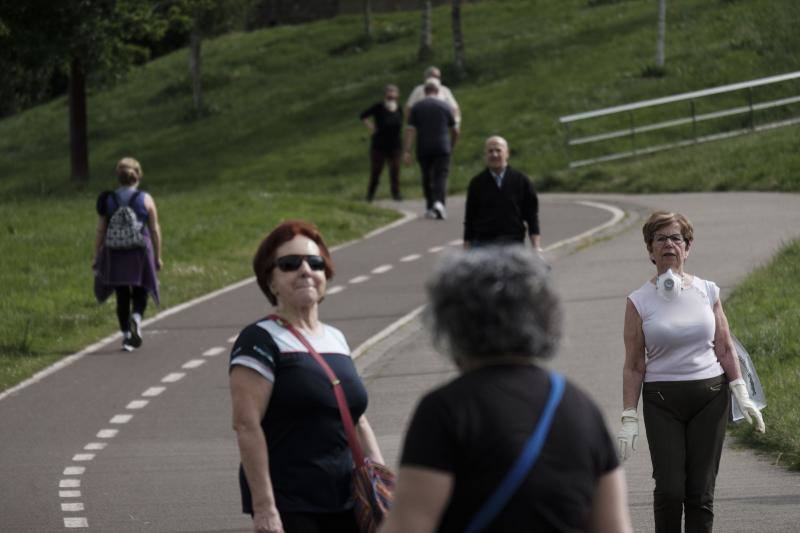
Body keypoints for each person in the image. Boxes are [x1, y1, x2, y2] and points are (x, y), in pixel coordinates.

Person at [380, 246, 631, 533]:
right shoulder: (580, 407)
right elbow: (614, 527)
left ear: (452, 323)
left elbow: (409, 526)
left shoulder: (445, 410)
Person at [229, 220, 385, 533]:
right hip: (294, 504)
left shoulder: (335, 338)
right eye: (289, 264)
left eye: (314, 263)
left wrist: (382, 487)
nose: (304, 270)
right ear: (270, 280)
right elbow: (247, 425)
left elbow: (358, 420)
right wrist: (265, 508)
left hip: (350, 500)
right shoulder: (259, 339)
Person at [617, 211, 766, 533]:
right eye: (661, 238)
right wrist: (629, 415)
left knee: (700, 493)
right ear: (650, 249)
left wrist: (741, 390)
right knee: (670, 490)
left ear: (688, 247)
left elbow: (725, 347)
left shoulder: (708, 291)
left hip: (710, 398)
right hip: (662, 401)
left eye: (676, 238)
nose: (669, 244)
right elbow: (633, 363)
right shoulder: (638, 301)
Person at [93, 157, 162, 351]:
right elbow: (154, 229)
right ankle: (137, 317)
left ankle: (125, 336)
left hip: (115, 252)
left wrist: (96, 254)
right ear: (138, 175)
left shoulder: (109, 199)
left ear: (119, 177)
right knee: (142, 289)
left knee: (122, 293)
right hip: (140, 250)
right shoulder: (145, 198)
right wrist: (157, 256)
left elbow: (101, 229)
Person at [463, 135, 541, 250]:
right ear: (485, 155)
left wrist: (536, 246)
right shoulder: (477, 183)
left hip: (513, 243)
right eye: (490, 151)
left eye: (498, 150)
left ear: (507, 153)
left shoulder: (521, 180)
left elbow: (532, 216)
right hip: (483, 244)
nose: (494, 154)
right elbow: (470, 218)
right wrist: (466, 248)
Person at [403, 78, 458, 220]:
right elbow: (455, 129)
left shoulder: (416, 107)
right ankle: (439, 203)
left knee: (426, 176)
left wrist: (407, 151)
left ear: (425, 91)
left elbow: (410, 130)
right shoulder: (445, 106)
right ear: (437, 91)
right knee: (441, 176)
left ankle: (429, 207)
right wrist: (452, 144)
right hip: (442, 146)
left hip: (424, 147)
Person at [360, 84, 404, 202]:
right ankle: (370, 194)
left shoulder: (399, 108)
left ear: (397, 96)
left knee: (395, 169)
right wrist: (372, 127)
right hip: (379, 145)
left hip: (395, 145)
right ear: (385, 95)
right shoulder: (379, 107)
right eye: (389, 94)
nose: (391, 97)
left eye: (393, 94)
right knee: (376, 170)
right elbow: (363, 116)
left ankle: (396, 194)